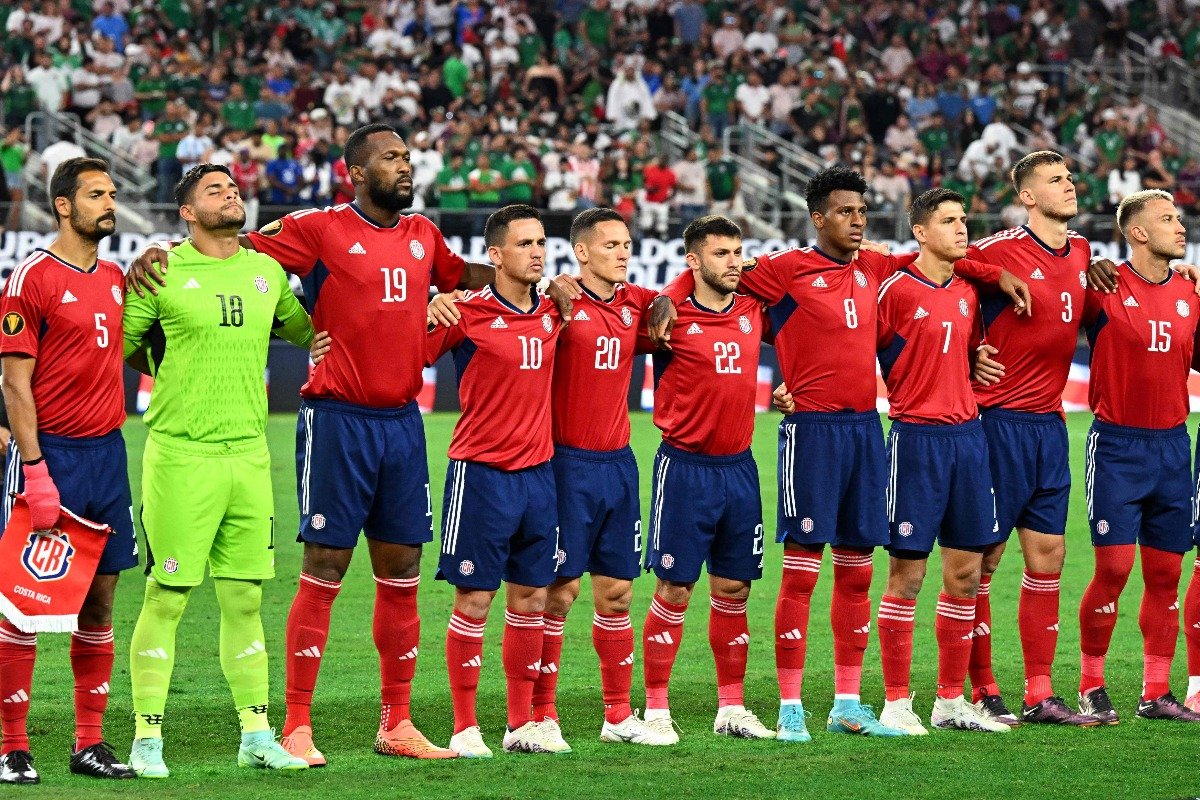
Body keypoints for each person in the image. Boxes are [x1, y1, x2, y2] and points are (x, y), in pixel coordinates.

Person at [127, 123, 574, 764]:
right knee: (325, 569)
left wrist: (549, 283)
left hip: (401, 426)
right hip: (336, 421)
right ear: (356, 172)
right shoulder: (318, 228)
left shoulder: (424, 235)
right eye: (391, 157)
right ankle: (297, 726)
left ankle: (397, 723)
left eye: (407, 156)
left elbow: (471, 275)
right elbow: (229, 244)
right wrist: (162, 251)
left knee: (401, 574)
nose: (405, 165)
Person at [658, 168, 1023, 742]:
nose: (858, 220)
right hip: (812, 434)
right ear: (819, 217)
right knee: (801, 576)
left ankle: (848, 703)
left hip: (865, 434)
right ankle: (790, 706)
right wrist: (666, 300)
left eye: (863, 210)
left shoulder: (876, 268)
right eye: (846, 211)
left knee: (856, 573)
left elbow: (946, 260)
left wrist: (995, 272)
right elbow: (713, 277)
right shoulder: (783, 270)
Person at [122, 165, 319, 777]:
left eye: (233, 188)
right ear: (186, 211)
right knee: (168, 594)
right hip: (181, 456)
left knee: (245, 599)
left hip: (249, 457)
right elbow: (119, 345)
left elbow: (310, 331)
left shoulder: (266, 271)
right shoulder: (161, 271)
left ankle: (256, 736)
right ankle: (146, 739)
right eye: (214, 190)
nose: (230, 194)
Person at [0, 157, 137, 783]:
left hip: (107, 456)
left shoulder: (113, 275)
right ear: (62, 206)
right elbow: (14, 383)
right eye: (96, 195)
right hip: (49, 455)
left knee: (100, 604)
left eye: (112, 194)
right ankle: (11, 745)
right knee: (21, 606)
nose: (109, 204)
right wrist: (35, 470)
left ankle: (88, 744)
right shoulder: (31, 276)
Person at [969, 151, 1106, 726]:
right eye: (1054, 181)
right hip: (998, 422)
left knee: (1049, 555)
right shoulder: (997, 250)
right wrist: (968, 353)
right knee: (983, 560)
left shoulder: (1079, 251)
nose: (1069, 186)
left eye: (1070, 177)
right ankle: (980, 686)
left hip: (1050, 425)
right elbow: (938, 277)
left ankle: (1040, 692)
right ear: (1027, 196)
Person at [873, 188, 1016, 735]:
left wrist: (970, 359)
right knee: (907, 576)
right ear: (920, 231)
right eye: (950, 221)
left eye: (965, 220)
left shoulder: (967, 292)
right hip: (915, 441)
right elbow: (855, 346)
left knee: (965, 574)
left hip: (969, 440)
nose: (962, 229)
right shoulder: (894, 291)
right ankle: (895, 704)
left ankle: (950, 702)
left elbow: (964, 349)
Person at [426, 205, 566, 757]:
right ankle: (464, 727)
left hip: (539, 477)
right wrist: (429, 306)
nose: (536, 251)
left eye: (541, 242)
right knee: (475, 599)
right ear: (495, 255)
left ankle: (519, 725)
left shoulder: (557, 308)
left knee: (531, 596)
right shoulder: (467, 312)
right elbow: (408, 353)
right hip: (480, 474)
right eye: (525, 243)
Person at [641, 215, 775, 741]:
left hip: (740, 468)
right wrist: (671, 293)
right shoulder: (664, 320)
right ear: (693, 261)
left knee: (735, 587)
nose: (735, 262)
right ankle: (655, 710)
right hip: (685, 468)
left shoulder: (753, 307)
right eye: (721, 254)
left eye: (738, 251)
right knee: (675, 588)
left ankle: (731, 709)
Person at [1076, 190, 1200, 724]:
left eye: (1179, 217)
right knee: (1114, 567)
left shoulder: (1191, 294)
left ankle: (1156, 690)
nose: (1181, 226)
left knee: (1166, 573)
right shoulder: (1102, 289)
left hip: (1174, 446)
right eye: (1168, 219)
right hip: (1118, 446)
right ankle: (1090, 682)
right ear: (1138, 232)